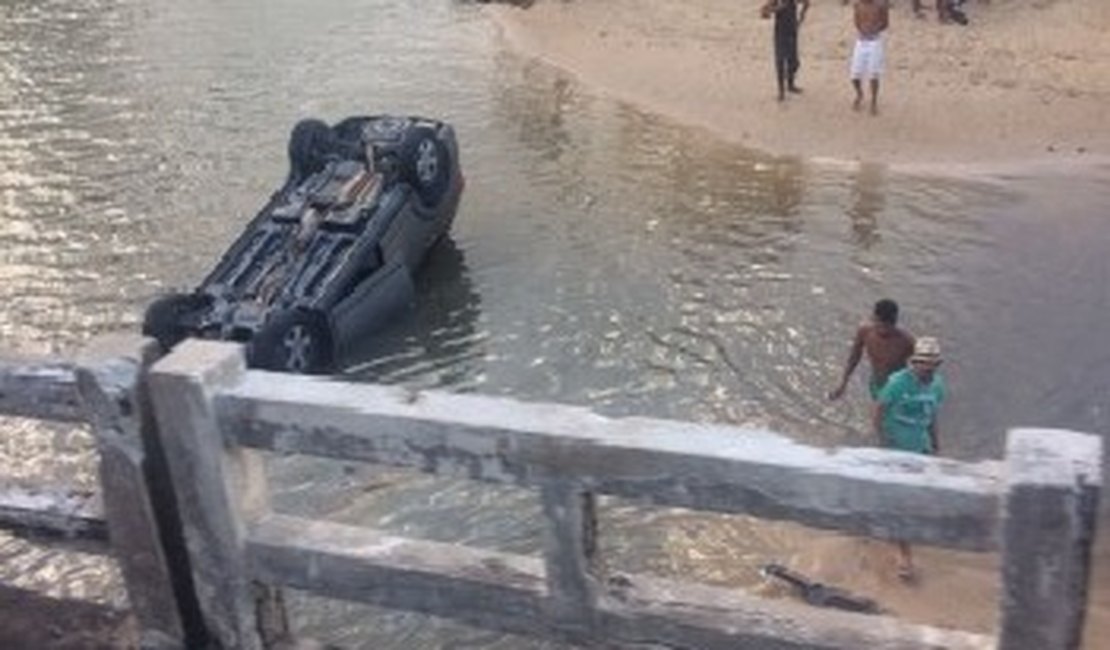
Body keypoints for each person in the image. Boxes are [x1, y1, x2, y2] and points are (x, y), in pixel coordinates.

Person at [873, 336, 946, 580]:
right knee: (901, 502)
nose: (926, 367)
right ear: (913, 362)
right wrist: (884, 445)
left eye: (931, 363)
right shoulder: (897, 383)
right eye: (922, 362)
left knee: (920, 498)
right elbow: (878, 413)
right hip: (897, 450)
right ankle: (905, 556)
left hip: (921, 449)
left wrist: (936, 445)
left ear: (938, 365)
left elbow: (932, 415)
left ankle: (894, 531)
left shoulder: (937, 385)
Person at [828, 299, 915, 401]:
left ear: (894, 322)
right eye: (880, 325)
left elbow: (921, 367)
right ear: (874, 319)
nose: (883, 330)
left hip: (898, 388)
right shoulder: (865, 332)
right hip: (876, 384)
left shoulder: (906, 340)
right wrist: (843, 383)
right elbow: (854, 357)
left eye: (888, 326)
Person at [761, 0, 810, 101]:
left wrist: (802, 16)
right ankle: (781, 91)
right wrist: (771, 11)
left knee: (794, 62)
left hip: (791, 31)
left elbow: (806, 3)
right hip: (780, 32)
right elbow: (764, 10)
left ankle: (790, 84)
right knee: (780, 60)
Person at [850, 0, 889, 115]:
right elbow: (856, 22)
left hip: (874, 41)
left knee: (873, 74)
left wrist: (874, 29)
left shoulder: (880, 5)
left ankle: (873, 101)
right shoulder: (857, 5)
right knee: (854, 74)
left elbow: (885, 23)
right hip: (861, 41)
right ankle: (859, 94)